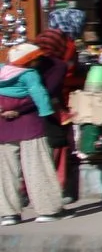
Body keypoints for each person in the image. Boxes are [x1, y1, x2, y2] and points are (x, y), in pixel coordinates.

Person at [0, 43, 65, 224]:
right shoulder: (31, 74)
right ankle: (47, 210)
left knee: (5, 171)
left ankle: (8, 214)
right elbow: (40, 93)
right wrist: (47, 113)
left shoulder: (2, 71)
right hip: (30, 124)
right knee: (37, 165)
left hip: (3, 125)